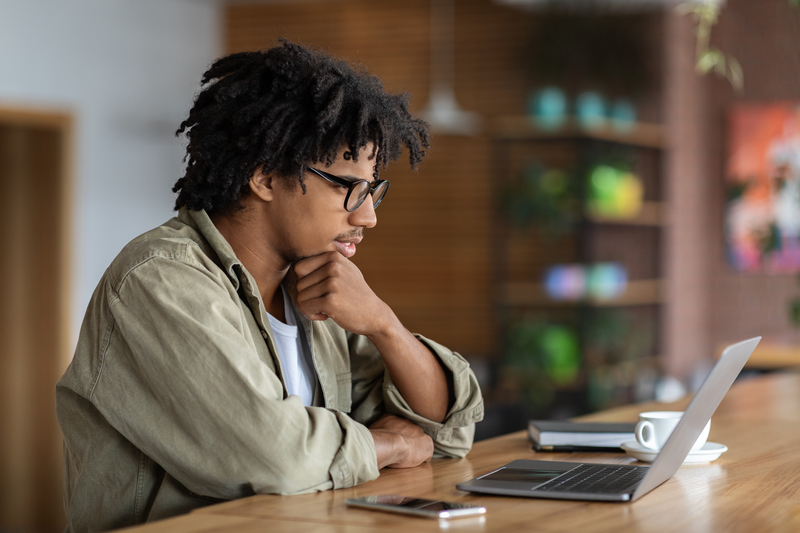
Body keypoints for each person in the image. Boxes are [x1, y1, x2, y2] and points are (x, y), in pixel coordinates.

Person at [55, 40, 484, 532]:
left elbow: (448, 432)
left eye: (373, 191)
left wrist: (384, 324)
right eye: (348, 187)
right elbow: (271, 455)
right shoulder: (159, 281)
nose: (367, 216)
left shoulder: (317, 292)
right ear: (264, 176)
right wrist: (388, 445)